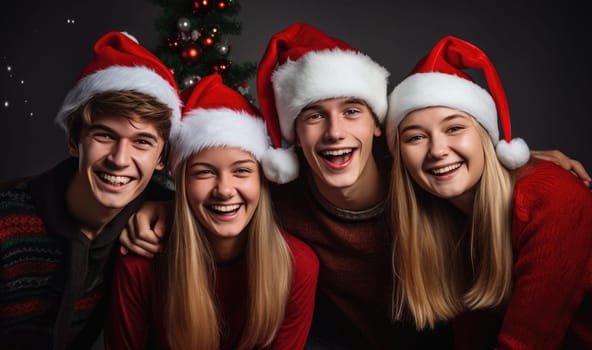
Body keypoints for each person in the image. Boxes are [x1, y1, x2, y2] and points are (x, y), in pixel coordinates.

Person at [121, 23, 591, 349]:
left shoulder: (426, 183)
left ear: (375, 126)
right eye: (312, 116)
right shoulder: (281, 198)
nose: (334, 133)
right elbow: (221, 189)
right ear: (293, 137)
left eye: (351, 111)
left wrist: (527, 162)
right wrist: (162, 205)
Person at [0, 31, 181, 349]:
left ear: (162, 158)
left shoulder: (160, 215)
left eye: (142, 142)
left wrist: (170, 207)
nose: (119, 160)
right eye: (104, 135)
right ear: (73, 141)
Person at [384, 35, 592, 349]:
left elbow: (526, 343)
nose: (438, 150)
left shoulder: (552, 197)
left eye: (454, 128)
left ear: (486, 139)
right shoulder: (447, 217)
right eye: (415, 138)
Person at [105, 73, 319, 350]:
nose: (224, 190)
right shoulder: (140, 262)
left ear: (262, 180)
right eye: (204, 172)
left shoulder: (297, 265)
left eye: (241, 171)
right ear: (181, 184)